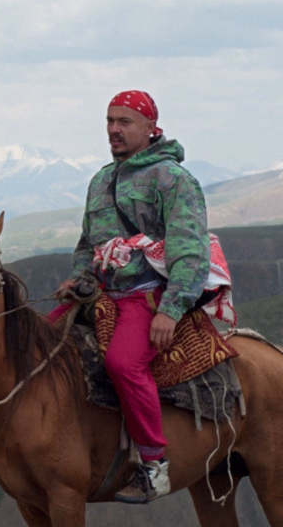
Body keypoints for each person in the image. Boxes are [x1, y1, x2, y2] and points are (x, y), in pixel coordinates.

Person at [54, 90, 210, 504]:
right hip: (103, 294)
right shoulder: (101, 179)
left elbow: (191, 251)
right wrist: (78, 278)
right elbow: (88, 243)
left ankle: (155, 465)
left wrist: (172, 310)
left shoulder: (172, 179)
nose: (114, 130)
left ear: (149, 127)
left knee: (122, 363)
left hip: (146, 296)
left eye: (125, 122)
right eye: (110, 121)